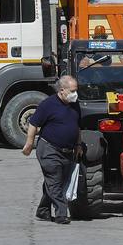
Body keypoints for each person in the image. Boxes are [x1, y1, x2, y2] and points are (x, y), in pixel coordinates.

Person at [22, 75, 81, 225]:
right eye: (73, 91)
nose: (76, 94)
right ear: (62, 90)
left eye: (76, 90)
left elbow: (77, 126)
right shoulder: (48, 105)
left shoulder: (74, 104)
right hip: (49, 149)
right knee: (54, 181)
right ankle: (61, 213)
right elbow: (33, 124)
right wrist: (29, 144)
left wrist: (78, 145)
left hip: (67, 151)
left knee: (56, 182)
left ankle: (43, 211)